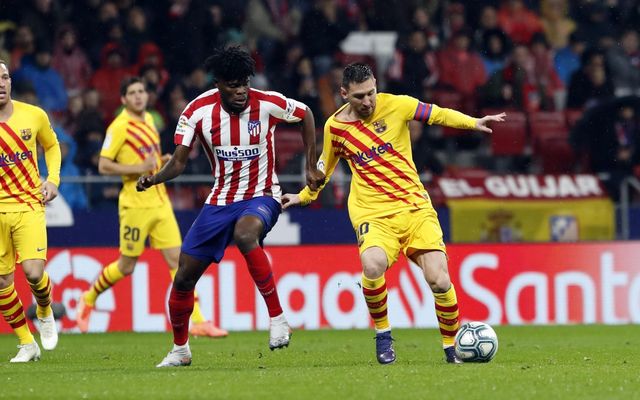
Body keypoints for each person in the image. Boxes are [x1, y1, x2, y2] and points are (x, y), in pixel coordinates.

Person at [282, 63, 505, 364]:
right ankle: (383, 334)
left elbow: (437, 113)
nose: (367, 101)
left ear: (376, 84)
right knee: (372, 265)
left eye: (371, 93)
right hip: (373, 213)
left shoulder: (398, 105)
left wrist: (472, 122)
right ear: (344, 93)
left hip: (415, 208)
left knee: (439, 280)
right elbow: (324, 168)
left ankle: (451, 348)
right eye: (359, 96)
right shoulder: (335, 128)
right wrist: (304, 196)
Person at [137, 45, 325, 368]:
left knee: (245, 234)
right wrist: (154, 179)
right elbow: (179, 162)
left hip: (262, 194)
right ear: (218, 84)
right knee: (183, 279)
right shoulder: (196, 112)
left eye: (245, 84)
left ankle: (278, 318)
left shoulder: (266, 103)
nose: (241, 91)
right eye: (233, 85)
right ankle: (180, 350)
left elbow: (305, 113)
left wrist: (310, 165)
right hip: (220, 200)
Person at [75, 77, 228, 339]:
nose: (138, 96)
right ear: (123, 99)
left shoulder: (149, 119)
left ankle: (198, 321)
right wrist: (140, 168)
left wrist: (159, 161)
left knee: (179, 262)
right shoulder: (119, 126)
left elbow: (148, 159)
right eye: (132, 92)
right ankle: (88, 298)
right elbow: (103, 165)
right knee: (126, 266)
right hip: (135, 205)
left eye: (141, 91)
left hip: (160, 201)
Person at [0, 59, 60, 362]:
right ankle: (26, 343)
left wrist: (53, 179)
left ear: (11, 82)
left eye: (4, 77)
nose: (0, 83)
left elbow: (52, 146)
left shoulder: (34, 115)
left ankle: (44, 310)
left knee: (34, 274)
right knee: (1, 283)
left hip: (28, 204)